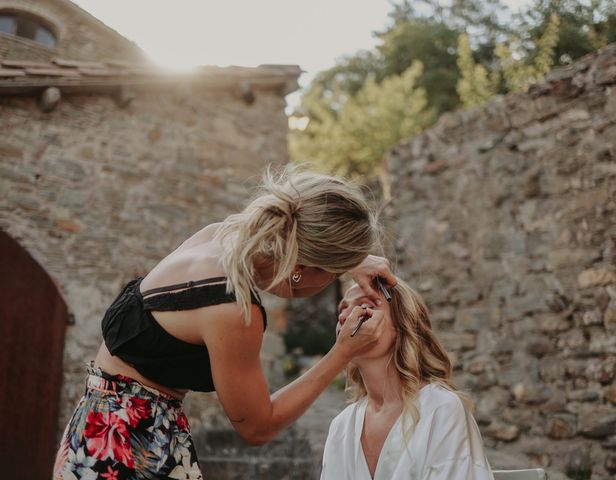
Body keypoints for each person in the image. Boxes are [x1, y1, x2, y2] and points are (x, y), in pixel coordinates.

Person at [53, 167, 397, 480]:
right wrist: (342, 352)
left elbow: (296, 240)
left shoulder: (218, 236)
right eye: (333, 273)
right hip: (132, 450)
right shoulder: (234, 309)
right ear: (303, 267)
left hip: (94, 429)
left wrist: (349, 261)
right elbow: (258, 428)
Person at [321, 280, 494, 480]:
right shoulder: (341, 426)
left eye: (366, 307)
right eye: (342, 310)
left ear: (402, 326)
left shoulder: (441, 409)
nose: (345, 316)